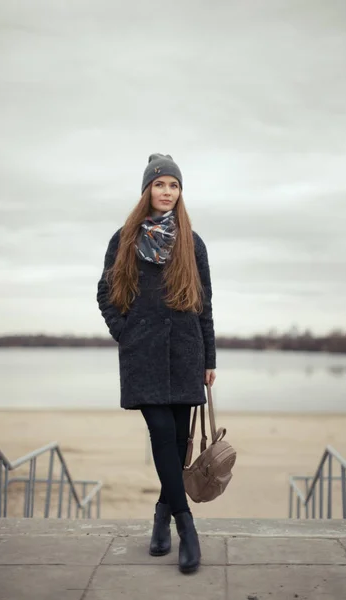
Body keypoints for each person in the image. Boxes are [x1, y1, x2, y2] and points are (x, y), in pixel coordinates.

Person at [96, 153, 216, 574]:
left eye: (174, 186)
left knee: (180, 440)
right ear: (147, 189)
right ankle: (186, 526)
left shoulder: (192, 242)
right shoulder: (124, 238)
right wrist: (125, 331)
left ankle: (161, 517)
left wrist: (209, 358)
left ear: (180, 193)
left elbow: (204, 305)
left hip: (185, 352)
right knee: (162, 431)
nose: (167, 192)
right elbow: (106, 293)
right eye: (160, 184)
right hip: (143, 354)